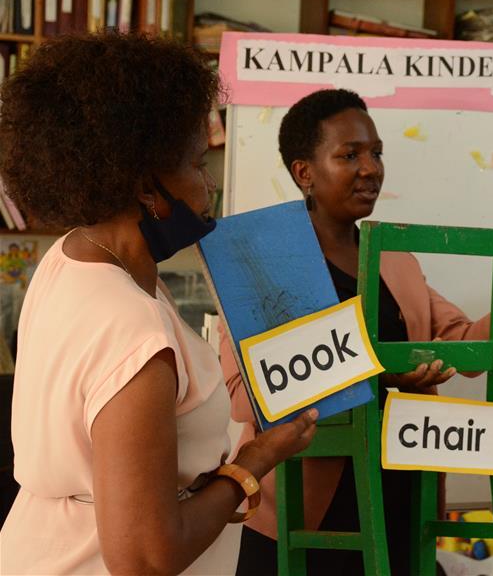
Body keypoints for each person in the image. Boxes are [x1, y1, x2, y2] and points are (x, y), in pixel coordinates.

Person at [220, 88, 493, 575]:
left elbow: (468, 346)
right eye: (350, 155)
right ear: (304, 172)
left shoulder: (395, 260)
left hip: (401, 501)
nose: (371, 169)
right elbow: (242, 394)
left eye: (377, 152)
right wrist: (382, 378)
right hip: (306, 517)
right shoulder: (263, 263)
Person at [0, 32, 318, 574]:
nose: (209, 184)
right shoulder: (132, 329)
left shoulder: (71, 255)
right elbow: (146, 558)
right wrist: (254, 461)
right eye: (198, 164)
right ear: (148, 188)